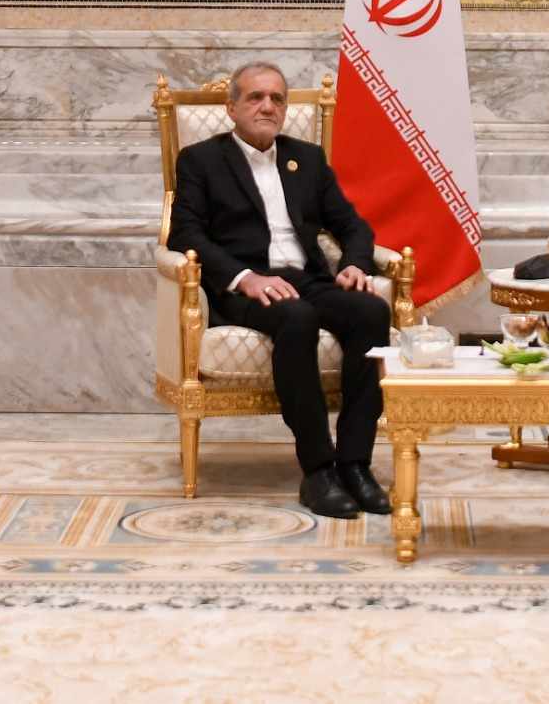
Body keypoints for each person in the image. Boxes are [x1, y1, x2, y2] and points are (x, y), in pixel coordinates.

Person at [168, 60, 391, 520]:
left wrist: (353, 263)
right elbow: (185, 234)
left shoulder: (306, 158)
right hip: (247, 288)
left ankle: (355, 464)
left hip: (307, 278)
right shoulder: (200, 160)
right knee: (297, 318)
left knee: (371, 312)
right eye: (255, 97)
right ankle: (318, 470)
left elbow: (352, 225)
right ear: (231, 107)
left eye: (277, 99)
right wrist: (244, 277)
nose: (267, 106)